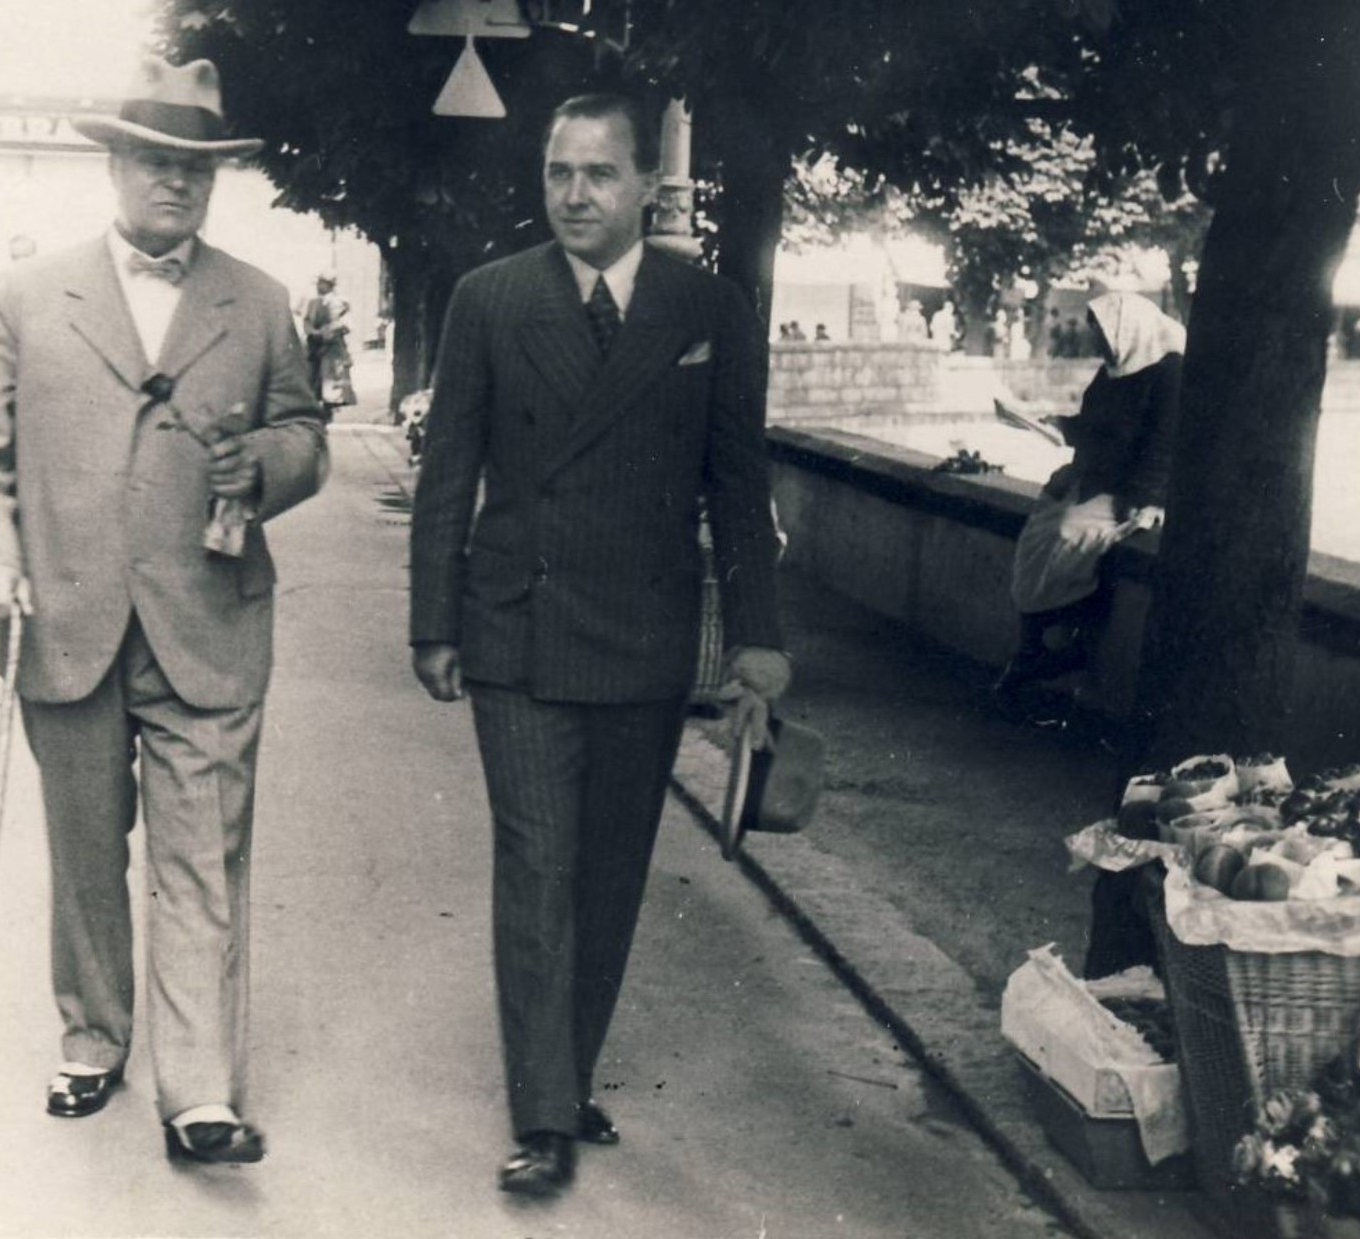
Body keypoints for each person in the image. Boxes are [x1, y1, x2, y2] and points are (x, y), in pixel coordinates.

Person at [0, 55, 326, 1167]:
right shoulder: (24, 298)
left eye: (196, 167)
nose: (175, 183)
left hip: (210, 620)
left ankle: (199, 1093)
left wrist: (266, 464)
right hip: (64, 621)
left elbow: (304, 434)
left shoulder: (259, 301)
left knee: (202, 858)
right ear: (113, 166)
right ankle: (93, 1036)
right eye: (155, 161)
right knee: (85, 853)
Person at [407, 92, 790, 1198]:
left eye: (599, 173)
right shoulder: (490, 300)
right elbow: (448, 473)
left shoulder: (705, 306)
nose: (574, 195)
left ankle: (565, 1076)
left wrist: (757, 641)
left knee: (611, 872)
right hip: (518, 631)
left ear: (646, 187)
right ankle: (542, 1119)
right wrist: (434, 621)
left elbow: (738, 484)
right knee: (538, 863)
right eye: (558, 172)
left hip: (645, 638)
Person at [992, 291, 1183, 718]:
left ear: (1127, 330)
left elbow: (1163, 446)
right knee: (1040, 529)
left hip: (1130, 488)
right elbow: (1093, 427)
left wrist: (1145, 500)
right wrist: (1049, 422)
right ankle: (1034, 647)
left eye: (1102, 333)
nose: (1097, 341)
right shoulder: (1112, 370)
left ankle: (1057, 647)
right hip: (1095, 475)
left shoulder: (1169, 374)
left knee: (1068, 533)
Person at [300, 271, 355, 417]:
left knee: (331, 385)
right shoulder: (312, 303)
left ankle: (328, 412)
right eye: (318, 283)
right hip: (314, 348)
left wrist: (331, 329)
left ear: (330, 285)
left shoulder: (341, 302)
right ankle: (315, 413)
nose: (318, 286)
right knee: (311, 383)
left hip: (333, 350)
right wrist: (313, 332)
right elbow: (307, 322)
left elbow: (348, 324)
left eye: (321, 283)